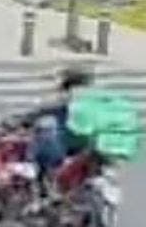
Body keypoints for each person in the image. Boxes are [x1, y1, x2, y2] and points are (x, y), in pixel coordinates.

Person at [7, 66, 94, 196]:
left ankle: (39, 180)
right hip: (86, 144)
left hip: (65, 144)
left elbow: (41, 111)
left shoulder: (63, 98)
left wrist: (21, 120)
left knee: (41, 143)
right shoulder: (93, 100)